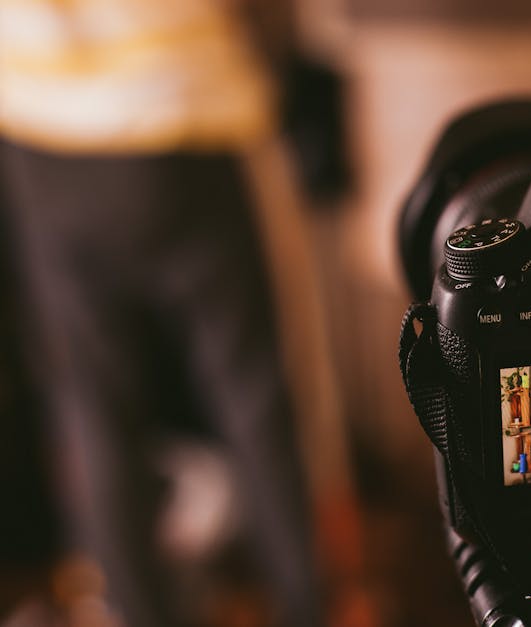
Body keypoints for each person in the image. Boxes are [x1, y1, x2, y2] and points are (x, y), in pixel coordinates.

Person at [0, 1, 324, 625]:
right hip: (180, 115)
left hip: (42, 131)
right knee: (253, 394)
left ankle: (133, 610)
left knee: (94, 409)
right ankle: (306, 605)